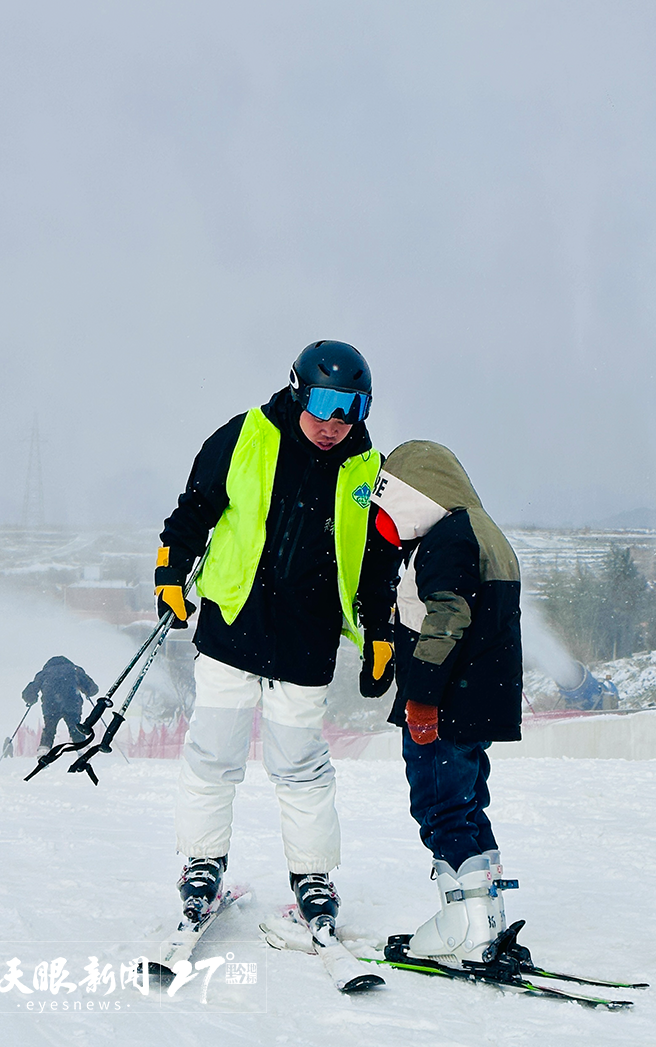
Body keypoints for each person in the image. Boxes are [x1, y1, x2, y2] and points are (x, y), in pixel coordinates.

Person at [155, 340, 396, 929]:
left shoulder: (369, 470)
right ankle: (201, 867)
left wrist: (380, 635)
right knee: (213, 755)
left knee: (300, 765)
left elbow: (375, 564)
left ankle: (313, 877)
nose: (334, 423)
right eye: (324, 402)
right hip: (232, 625)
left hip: (306, 639)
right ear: (297, 389)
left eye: (352, 408)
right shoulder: (245, 436)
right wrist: (170, 573)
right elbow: (193, 511)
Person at [364, 440, 523, 964]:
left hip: (447, 706)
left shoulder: (447, 540)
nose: (382, 517)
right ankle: (488, 920)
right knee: (467, 805)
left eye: (387, 504)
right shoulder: (480, 530)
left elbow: (448, 617)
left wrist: (423, 699)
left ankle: (466, 929)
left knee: (438, 806)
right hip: (478, 703)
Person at [22, 657, 99, 756]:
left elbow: (29, 692)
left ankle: (43, 752)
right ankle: (82, 750)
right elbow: (92, 688)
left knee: (49, 729)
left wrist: (31, 699)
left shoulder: (43, 673)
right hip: (72, 703)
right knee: (75, 727)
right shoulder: (75, 670)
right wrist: (87, 691)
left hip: (51, 705)